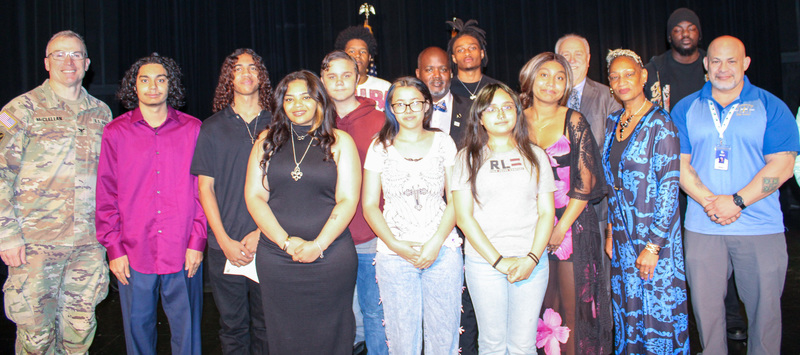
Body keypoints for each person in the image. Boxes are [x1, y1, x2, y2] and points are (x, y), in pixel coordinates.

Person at [672, 35, 799, 355]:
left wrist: (737, 201)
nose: (723, 68)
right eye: (716, 61)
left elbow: (783, 166)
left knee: (765, 315)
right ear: (705, 65)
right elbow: (679, 164)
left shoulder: (771, 106)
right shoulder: (685, 108)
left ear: (745, 64)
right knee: (707, 316)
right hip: (703, 227)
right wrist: (710, 202)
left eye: (732, 61)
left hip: (760, 227)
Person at [0, 30, 112, 354]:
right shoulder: (20, 110)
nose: (68, 61)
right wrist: (6, 235)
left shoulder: (102, 114)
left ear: (87, 63)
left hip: (88, 246)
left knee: (79, 332)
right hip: (36, 244)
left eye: (76, 54)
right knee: (36, 335)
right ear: (46, 63)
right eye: (59, 55)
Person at [96, 53, 206, 355]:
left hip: (182, 250)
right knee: (137, 332)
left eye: (161, 79)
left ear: (171, 85)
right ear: (135, 86)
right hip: (133, 254)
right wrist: (114, 248)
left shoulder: (194, 129)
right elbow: (106, 193)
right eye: (144, 80)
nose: (153, 86)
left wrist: (197, 241)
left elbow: (204, 193)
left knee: (188, 335)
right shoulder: (115, 132)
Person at [244, 70, 360, 355]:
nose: (298, 105)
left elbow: (347, 200)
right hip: (277, 258)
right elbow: (255, 196)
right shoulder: (265, 142)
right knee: (285, 338)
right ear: (281, 104)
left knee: (333, 335)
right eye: (290, 98)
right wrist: (286, 242)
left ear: (320, 100)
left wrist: (318, 245)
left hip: (331, 257)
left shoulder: (340, 141)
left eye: (306, 97)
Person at [361, 77, 463, 355]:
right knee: (402, 341)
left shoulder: (443, 142)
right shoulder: (379, 146)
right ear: (390, 108)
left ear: (427, 106)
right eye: (400, 104)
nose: (408, 110)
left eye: (415, 103)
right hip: (395, 254)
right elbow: (369, 205)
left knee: (444, 339)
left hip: (442, 250)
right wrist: (395, 245)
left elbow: (455, 198)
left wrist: (435, 243)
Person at [453, 83, 555, 354]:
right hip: (485, 264)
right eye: (491, 108)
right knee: (492, 345)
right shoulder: (466, 158)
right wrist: (497, 261)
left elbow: (547, 212)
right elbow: (464, 217)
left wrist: (532, 258)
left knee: (523, 345)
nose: (500, 114)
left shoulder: (536, 156)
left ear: (517, 112)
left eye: (507, 107)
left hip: (530, 263)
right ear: (480, 118)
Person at [519, 52, 610, 355]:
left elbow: (586, 185)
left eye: (560, 78)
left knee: (570, 315)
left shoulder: (575, 121)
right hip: (525, 228)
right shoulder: (513, 118)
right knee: (539, 311)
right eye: (544, 75)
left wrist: (559, 230)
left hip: (570, 228)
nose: (551, 83)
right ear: (531, 78)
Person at [603, 49, 689, 354]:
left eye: (628, 74)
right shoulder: (613, 121)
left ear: (643, 77)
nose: (622, 81)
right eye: (614, 76)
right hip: (624, 242)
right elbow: (612, 185)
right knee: (629, 315)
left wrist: (653, 247)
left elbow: (669, 190)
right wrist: (612, 232)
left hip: (656, 243)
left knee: (658, 319)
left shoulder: (660, 124)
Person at [191, 48, 272, 354]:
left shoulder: (278, 122)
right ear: (229, 77)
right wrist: (223, 240)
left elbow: (287, 187)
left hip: (268, 241)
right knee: (232, 327)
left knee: (267, 325)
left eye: (253, 67)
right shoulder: (211, 128)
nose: (247, 73)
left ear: (261, 76)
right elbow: (205, 189)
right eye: (238, 69)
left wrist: (261, 233)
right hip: (225, 246)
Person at [320, 50, 388, 355]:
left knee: (375, 315)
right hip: (327, 236)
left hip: (370, 236)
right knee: (334, 317)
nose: (339, 82)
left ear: (359, 78)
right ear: (321, 79)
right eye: (331, 76)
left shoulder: (381, 121)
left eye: (347, 75)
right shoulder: (313, 122)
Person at [415, 46, 478, 354]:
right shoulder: (406, 113)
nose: (436, 76)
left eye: (442, 69)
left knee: (464, 299)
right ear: (418, 74)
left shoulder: (473, 110)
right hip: (418, 220)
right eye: (429, 69)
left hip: (467, 217)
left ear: (450, 74)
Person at [644, 7, 707, 113]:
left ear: (699, 34)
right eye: (678, 30)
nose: (685, 34)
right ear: (669, 37)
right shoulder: (652, 71)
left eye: (691, 29)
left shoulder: (713, 66)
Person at [335, 26, 391, 110]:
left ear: (369, 57)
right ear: (343, 55)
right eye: (352, 51)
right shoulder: (336, 87)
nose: (357, 55)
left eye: (362, 51)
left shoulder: (385, 87)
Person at [446, 18, 501, 103]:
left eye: (472, 48)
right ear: (454, 58)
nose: (467, 53)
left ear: (482, 53)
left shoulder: (497, 88)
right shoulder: (446, 90)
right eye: (460, 50)